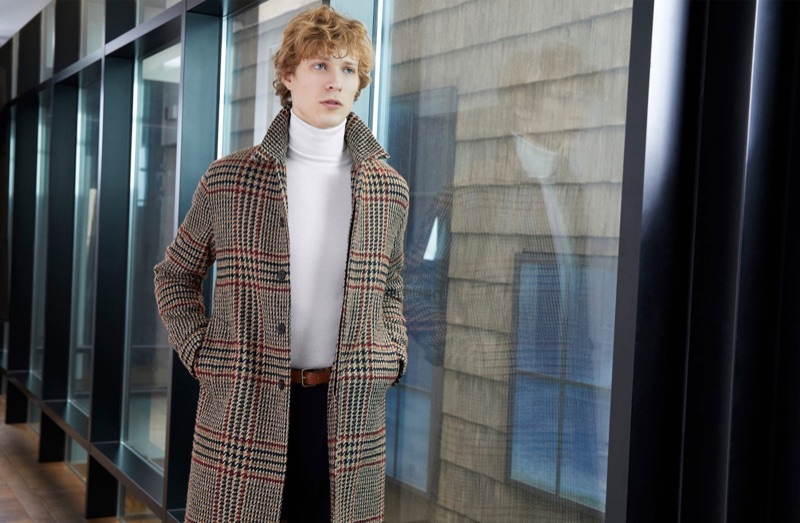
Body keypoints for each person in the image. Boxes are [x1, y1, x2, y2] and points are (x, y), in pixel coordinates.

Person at [153, 6, 409, 522]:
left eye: (348, 69)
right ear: (288, 76)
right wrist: (205, 354)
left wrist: (391, 354)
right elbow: (175, 275)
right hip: (244, 404)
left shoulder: (388, 189)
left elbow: (391, 288)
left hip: (348, 408)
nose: (335, 81)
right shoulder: (231, 179)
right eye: (320, 65)